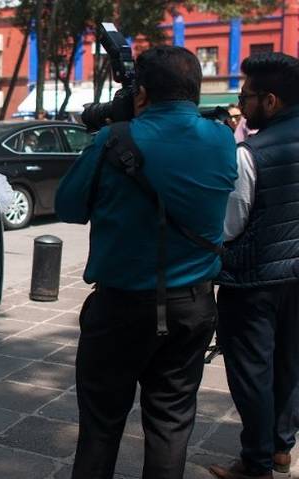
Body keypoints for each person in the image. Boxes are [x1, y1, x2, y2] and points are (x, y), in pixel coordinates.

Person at [55, 46, 237, 479]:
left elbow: (68, 206)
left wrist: (112, 129)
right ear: (196, 90)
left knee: (101, 425)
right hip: (192, 307)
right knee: (171, 424)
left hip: (120, 307)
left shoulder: (113, 139)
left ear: (141, 94)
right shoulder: (222, 139)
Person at [209, 53, 299, 479]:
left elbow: (229, 226)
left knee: (252, 373)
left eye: (246, 96)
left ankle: (256, 462)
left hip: (254, 281)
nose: (240, 105)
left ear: (272, 100)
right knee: (290, 363)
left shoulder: (250, 153)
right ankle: (282, 448)